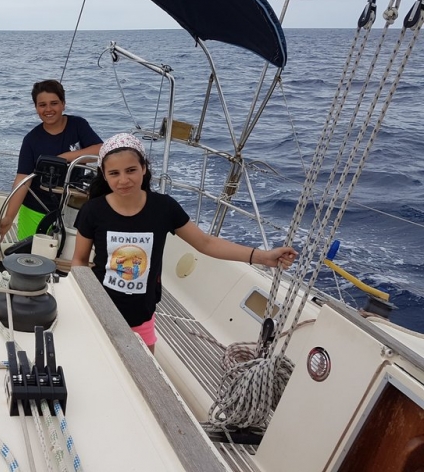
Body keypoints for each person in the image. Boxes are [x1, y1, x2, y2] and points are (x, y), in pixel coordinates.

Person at [70, 133, 297, 353]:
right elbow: (79, 260)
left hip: (142, 315)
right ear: (104, 175)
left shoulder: (164, 208)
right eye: (114, 173)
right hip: (101, 308)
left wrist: (263, 257)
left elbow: (206, 243)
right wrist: (87, 299)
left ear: (144, 168)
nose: (123, 180)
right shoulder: (93, 210)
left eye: (131, 170)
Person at [0, 79, 102, 242]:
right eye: (42, 105)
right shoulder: (31, 140)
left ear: (63, 104)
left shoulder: (78, 125)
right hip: (35, 207)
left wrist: (65, 157)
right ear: (36, 108)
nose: (48, 109)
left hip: (71, 207)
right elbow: (23, 180)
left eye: (54, 103)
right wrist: (8, 218)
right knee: (29, 254)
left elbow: (101, 149)